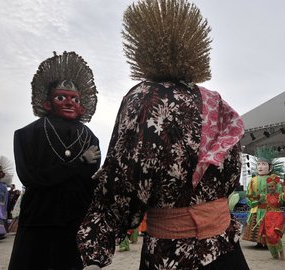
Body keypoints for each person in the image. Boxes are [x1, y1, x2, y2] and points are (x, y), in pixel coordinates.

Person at [77, 1, 248, 269]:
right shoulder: (215, 101)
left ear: (142, 50)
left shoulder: (144, 97)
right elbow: (232, 166)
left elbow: (126, 174)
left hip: (171, 253)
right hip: (225, 247)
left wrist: (99, 240)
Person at [8, 51, 101, 270]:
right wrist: (78, 164)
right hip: (39, 218)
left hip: (74, 220)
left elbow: (88, 183)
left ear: (82, 107)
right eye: (61, 97)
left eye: (74, 99)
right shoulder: (27, 135)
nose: (69, 102)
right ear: (48, 103)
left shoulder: (90, 138)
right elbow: (30, 178)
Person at [243, 147, 285, 248]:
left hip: (269, 209)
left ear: (270, 168)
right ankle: (259, 242)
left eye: (263, 164)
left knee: (268, 226)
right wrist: (251, 201)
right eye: (258, 164)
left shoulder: (274, 180)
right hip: (256, 208)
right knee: (257, 226)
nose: (260, 166)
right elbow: (249, 194)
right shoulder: (253, 180)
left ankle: (267, 242)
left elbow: (278, 194)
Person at [259, 175, 285, 260]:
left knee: (275, 235)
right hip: (268, 217)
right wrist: (262, 217)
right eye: (269, 186)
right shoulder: (266, 196)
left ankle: (281, 253)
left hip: (277, 216)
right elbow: (265, 206)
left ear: (275, 186)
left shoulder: (279, 195)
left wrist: (284, 187)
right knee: (268, 235)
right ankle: (274, 255)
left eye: (272, 186)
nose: (271, 188)